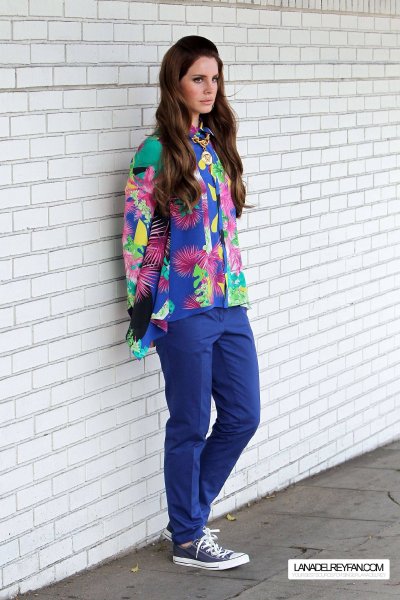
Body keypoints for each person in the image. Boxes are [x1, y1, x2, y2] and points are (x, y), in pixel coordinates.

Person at [122, 35, 261, 571]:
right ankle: (187, 539)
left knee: (243, 415)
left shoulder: (214, 143)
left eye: (215, 78)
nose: (209, 88)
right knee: (189, 424)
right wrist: (148, 313)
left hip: (229, 302)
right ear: (175, 83)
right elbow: (137, 239)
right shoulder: (156, 153)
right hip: (181, 310)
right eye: (198, 78)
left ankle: (188, 518)